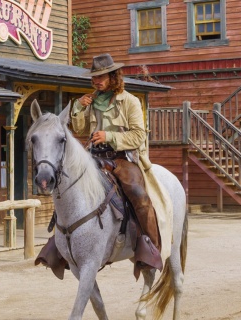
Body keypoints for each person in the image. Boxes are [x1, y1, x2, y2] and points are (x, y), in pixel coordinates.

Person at [71, 53, 166, 260]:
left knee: (139, 196)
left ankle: (151, 250)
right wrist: (78, 107)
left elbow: (139, 136)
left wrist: (109, 135)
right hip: (94, 157)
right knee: (68, 186)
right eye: (94, 77)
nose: (96, 81)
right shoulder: (91, 100)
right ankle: (61, 244)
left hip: (121, 158)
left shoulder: (130, 101)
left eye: (101, 77)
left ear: (113, 77)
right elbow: (80, 129)